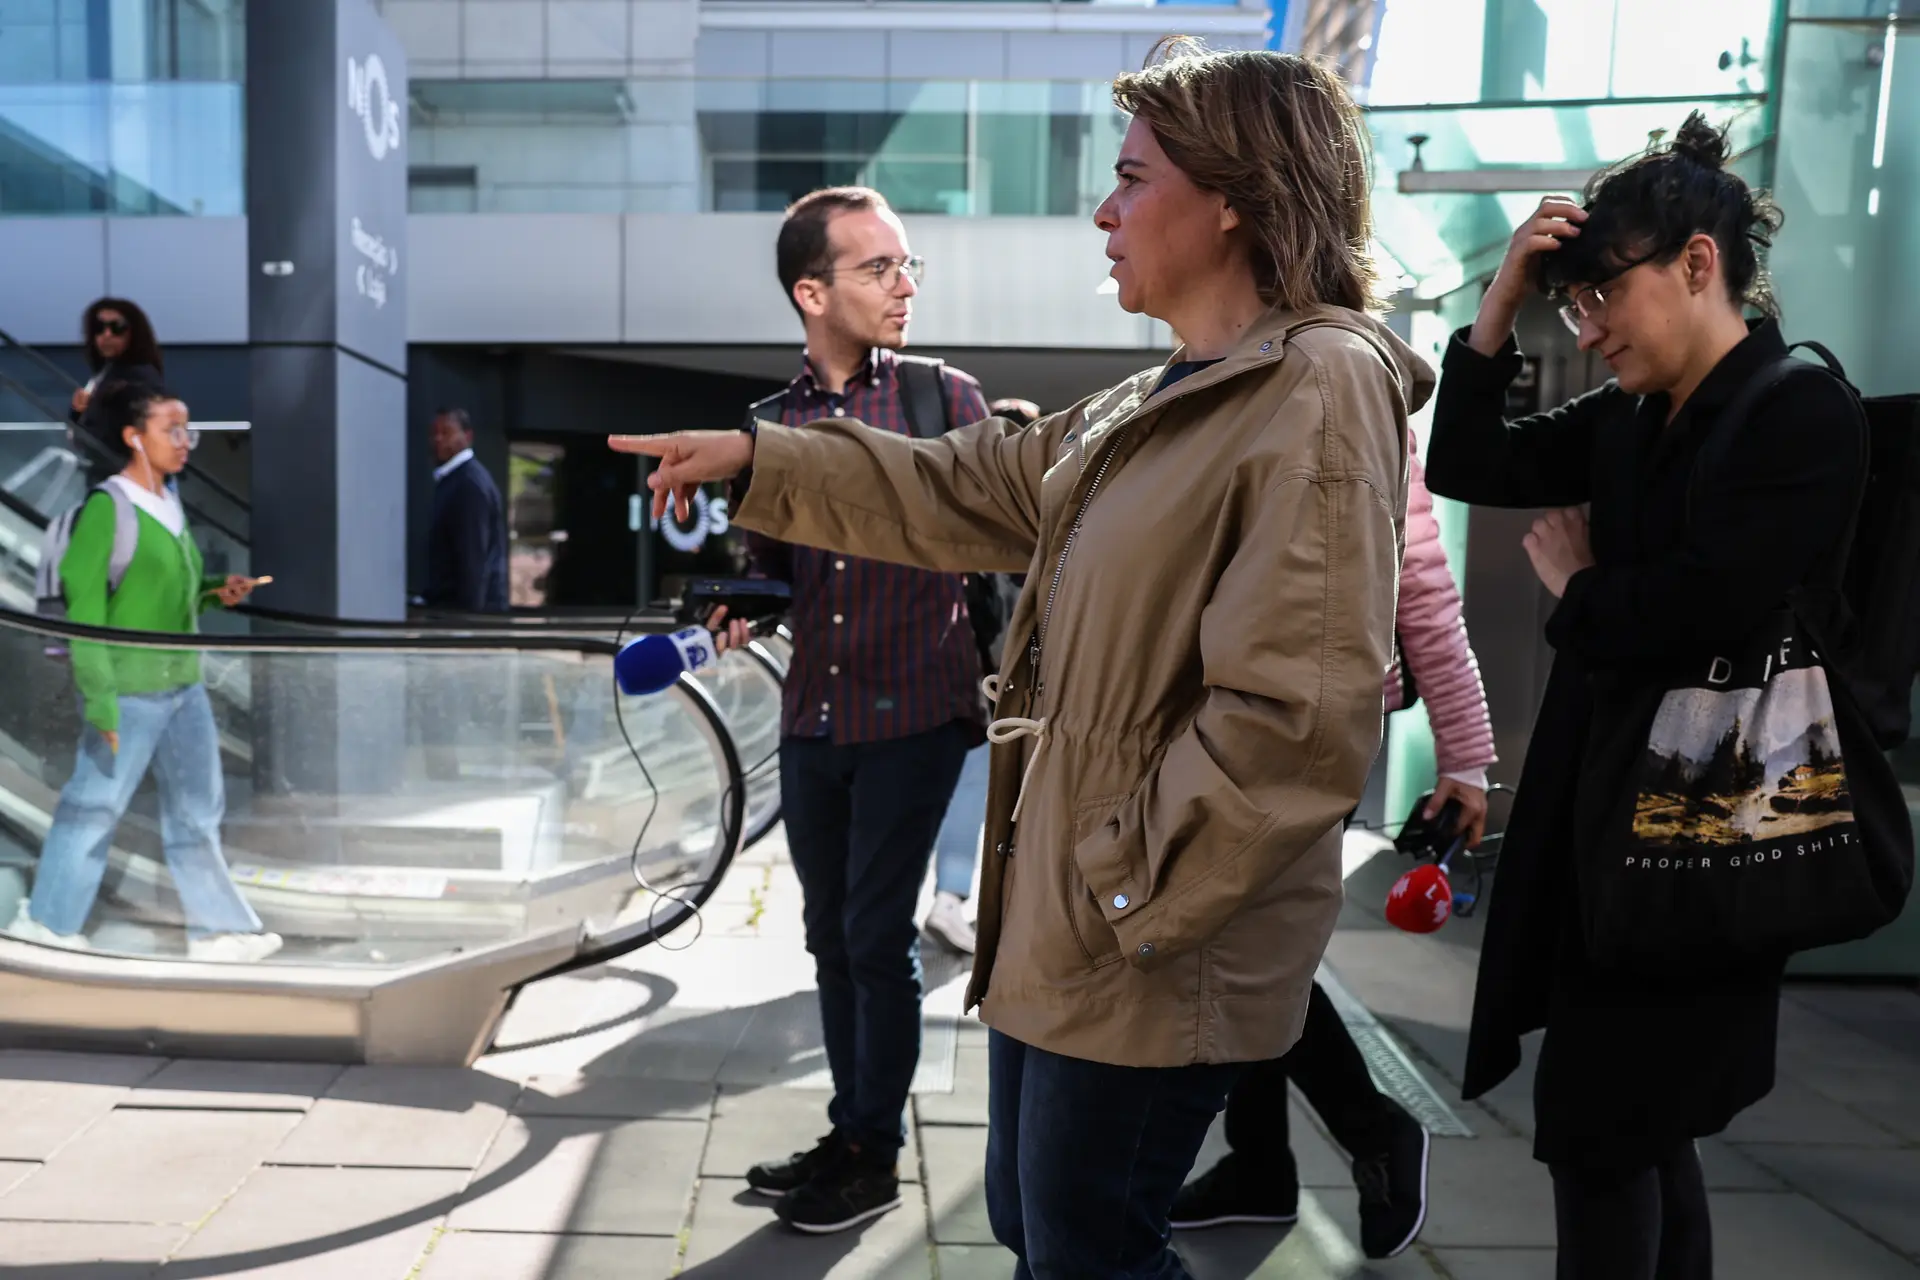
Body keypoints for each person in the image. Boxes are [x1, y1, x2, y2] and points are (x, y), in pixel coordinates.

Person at [615, 43, 1431, 1277]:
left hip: (1144, 944)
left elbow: (1295, 723)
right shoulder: (1171, 391)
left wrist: (1117, 888)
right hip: (1071, 922)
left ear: (1232, 196)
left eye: (1131, 178)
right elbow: (964, 484)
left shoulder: (1314, 387)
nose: (1103, 212)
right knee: (1031, 1223)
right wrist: (758, 457)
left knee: (1086, 1250)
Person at [1424, 113, 1863, 1280]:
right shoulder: (1630, 420)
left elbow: (1705, 611)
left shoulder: (1801, 410)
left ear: (1698, 263)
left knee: (1602, 1130)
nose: (1590, 325)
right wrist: (1503, 297)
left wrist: (1578, 587)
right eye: (1569, 306)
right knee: (1639, 1130)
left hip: (1707, 833)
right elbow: (1469, 466)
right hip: (1606, 828)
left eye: (1599, 294)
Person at [700, 185, 991, 1235]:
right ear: (810, 291)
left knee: (877, 933)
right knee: (830, 936)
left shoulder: (942, 400)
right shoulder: (770, 425)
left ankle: (872, 1150)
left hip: (917, 703)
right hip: (815, 715)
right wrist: (740, 599)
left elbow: (985, 532)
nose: (905, 284)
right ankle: (852, 1125)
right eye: (880, 267)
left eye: (909, 265)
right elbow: (770, 568)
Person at [1170, 436, 1494, 1257]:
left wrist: (1463, 754)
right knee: (1248, 946)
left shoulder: (1353, 393)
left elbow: (1421, 586)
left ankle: (1373, 1129)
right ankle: (1261, 1164)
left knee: (1248, 949)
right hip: (1218, 720)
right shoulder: (1209, 380)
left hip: (1313, 726)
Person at [9, 382, 278, 961]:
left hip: (183, 688)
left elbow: (161, 599)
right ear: (134, 437)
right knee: (93, 807)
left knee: (196, 813)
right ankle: (51, 926)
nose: (186, 442)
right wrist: (101, 700)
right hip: (128, 693)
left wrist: (211, 594)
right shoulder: (110, 508)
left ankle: (217, 931)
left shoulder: (170, 502)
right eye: (172, 430)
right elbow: (87, 612)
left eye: (190, 430)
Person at [924, 396, 1041, 955]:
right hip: (1018, 692)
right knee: (1005, 798)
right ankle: (962, 904)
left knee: (971, 794)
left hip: (975, 686)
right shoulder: (1043, 518)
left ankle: (952, 901)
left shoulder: (968, 515)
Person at [423, 407, 508, 613]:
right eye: (435, 433)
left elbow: (473, 558)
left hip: (464, 614)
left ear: (467, 436)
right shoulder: (458, 480)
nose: (438, 439)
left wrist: (468, 622)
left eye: (447, 432)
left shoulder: (468, 484)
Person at [70, 298, 165, 477]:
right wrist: (78, 411)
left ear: (134, 333)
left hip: (124, 478)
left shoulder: (139, 376)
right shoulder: (106, 372)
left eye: (117, 328)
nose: (106, 335)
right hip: (107, 474)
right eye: (98, 328)